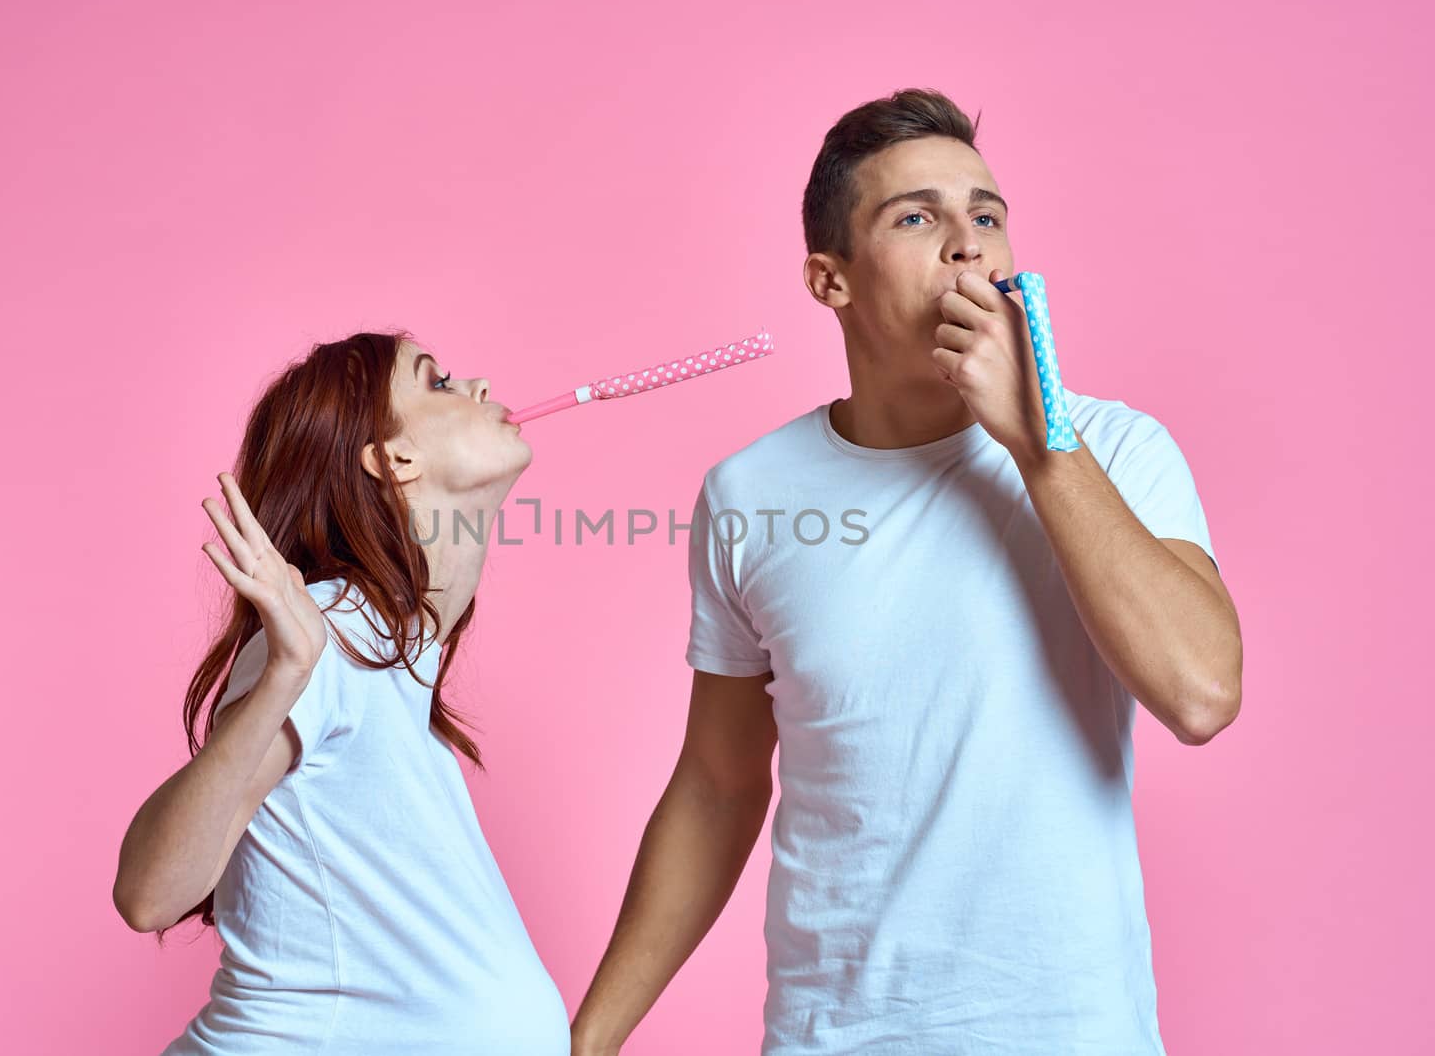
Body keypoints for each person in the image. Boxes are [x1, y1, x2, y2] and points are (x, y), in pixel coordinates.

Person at [571, 89, 1244, 1055]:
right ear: (829, 280)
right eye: (917, 217)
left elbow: (1201, 692)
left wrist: (1039, 444)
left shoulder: (1119, 451)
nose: (967, 244)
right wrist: (590, 1037)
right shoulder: (750, 494)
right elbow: (718, 782)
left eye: (987, 215)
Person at [112, 332, 570, 1054]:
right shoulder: (333, 628)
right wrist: (285, 677)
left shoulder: (395, 649)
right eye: (439, 381)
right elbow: (148, 893)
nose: (478, 383)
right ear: (394, 459)